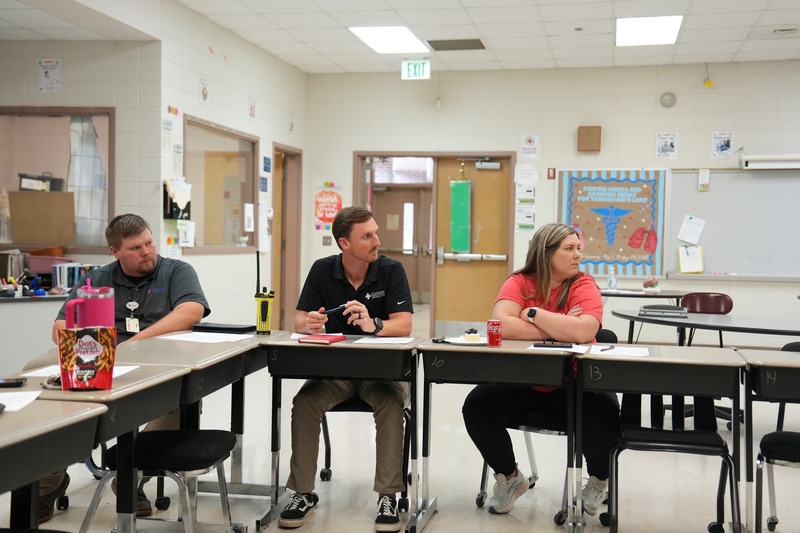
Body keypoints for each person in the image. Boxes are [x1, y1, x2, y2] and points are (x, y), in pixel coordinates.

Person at [34, 213, 210, 524]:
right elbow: (60, 324)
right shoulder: (97, 279)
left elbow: (191, 311)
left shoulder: (176, 272)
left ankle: (131, 477)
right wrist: (91, 348)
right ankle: (48, 484)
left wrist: (133, 344)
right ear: (115, 252)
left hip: (160, 363)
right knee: (61, 399)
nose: (147, 251)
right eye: (136, 248)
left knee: (179, 403)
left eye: (149, 242)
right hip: (102, 362)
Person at [462, 223, 620, 517]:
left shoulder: (583, 285)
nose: (577, 255)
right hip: (524, 380)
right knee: (476, 407)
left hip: (572, 383)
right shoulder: (520, 282)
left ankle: (600, 481)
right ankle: (510, 478)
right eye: (569, 249)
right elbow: (501, 326)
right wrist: (560, 328)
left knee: (605, 413)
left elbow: (585, 330)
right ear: (546, 253)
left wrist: (533, 313)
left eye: (578, 249)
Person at [278, 206, 413, 532]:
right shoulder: (322, 270)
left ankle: (388, 495)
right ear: (344, 243)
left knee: (391, 403)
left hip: (382, 374)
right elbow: (298, 318)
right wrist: (309, 323)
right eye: (367, 236)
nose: (376, 241)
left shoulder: (391, 270)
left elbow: (405, 324)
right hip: (334, 373)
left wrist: (373, 324)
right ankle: (302, 492)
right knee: (305, 402)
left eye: (376, 232)